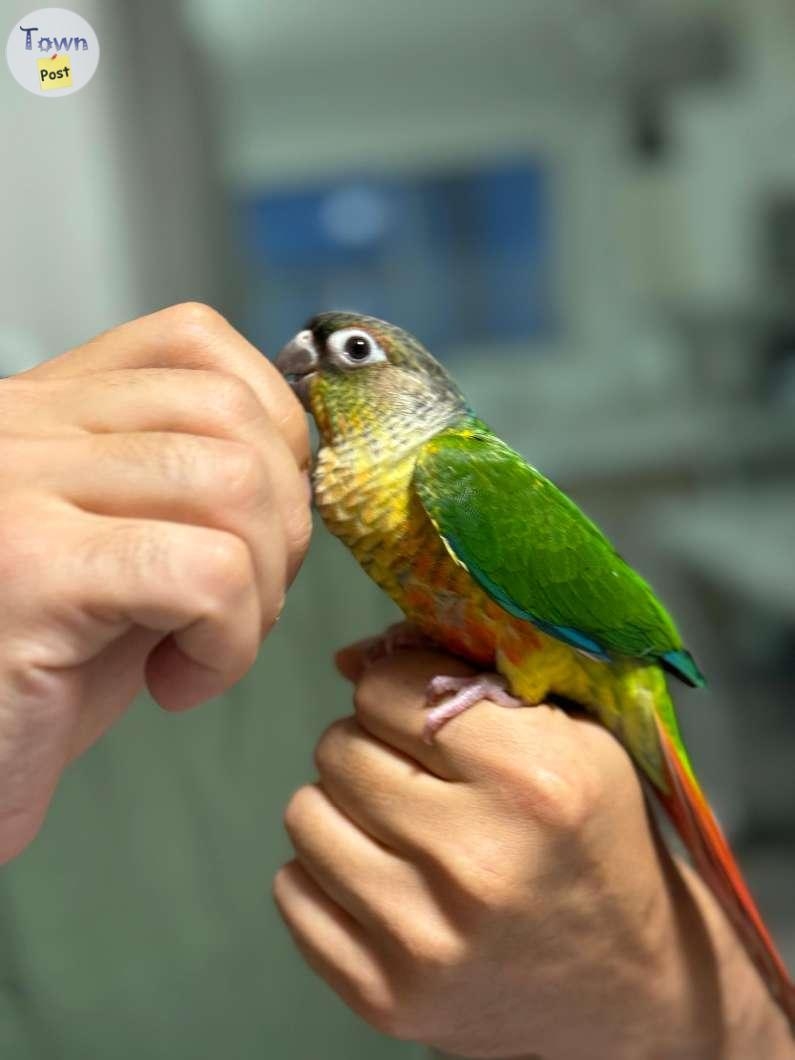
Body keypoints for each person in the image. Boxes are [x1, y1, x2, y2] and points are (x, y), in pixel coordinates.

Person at [1, 304, 791, 1059]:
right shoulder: (304, 507)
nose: (305, 364)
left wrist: (509, 688)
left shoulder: (455, 475)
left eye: (352, 354)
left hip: (608, 666)